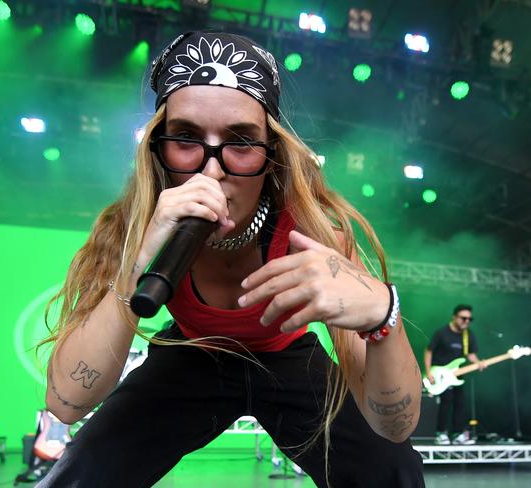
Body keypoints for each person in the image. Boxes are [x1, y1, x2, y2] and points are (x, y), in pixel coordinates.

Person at [37, 31, 424, 487]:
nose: (211, 169)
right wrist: (136, 266)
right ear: (157, 148)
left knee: (393, 472)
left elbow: (394, 427)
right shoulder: (132, 230)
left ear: (271, 153)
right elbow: (66, 403)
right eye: (186, 138)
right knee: (81, 474)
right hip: (191, 352)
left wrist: (383, 316)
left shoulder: (314, 232)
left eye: (241, 142)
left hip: (285, 357)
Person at [424, 304, 485, 445]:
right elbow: (428, 351)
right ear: (454, 317)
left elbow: (471, 355)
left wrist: (479, 363)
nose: (467, 321)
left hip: (457, 376)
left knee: (460, 402)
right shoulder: (442, 332)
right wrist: (428, 372)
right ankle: (441, 433)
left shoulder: (468, 335)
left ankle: (457, 434)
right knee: (446, 401)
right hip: (439, 373)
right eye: (463, 318)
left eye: (470, 319)